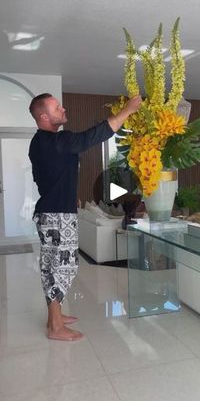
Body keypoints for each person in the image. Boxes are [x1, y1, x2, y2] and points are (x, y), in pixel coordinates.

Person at [28, 93, 142, 341]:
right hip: (57, 215)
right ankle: (56, 327)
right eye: (57, 107)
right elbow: (94, 135)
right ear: (44, 116)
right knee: (65, 266)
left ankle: (53, 318)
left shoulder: (38, 143)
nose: (63, 108)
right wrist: (128, 111)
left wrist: (69, 197)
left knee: (51, 267)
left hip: (49, 211)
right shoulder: (60, 141)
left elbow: (45, 178)